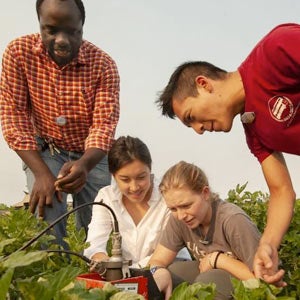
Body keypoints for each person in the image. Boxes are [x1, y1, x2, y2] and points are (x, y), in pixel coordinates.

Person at [155, 23, 300, 285]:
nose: (198, 130)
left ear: (204, 84)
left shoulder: (275, 51)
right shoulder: (254, 130)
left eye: (191, 117)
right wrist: (267, 245)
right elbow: (281, 192)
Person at [0, 0, 120, 244]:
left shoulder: (103, 65)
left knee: (97, 220)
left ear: (82, 28)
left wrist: (85, 165)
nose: (62, 40)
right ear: (40, 26)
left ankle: (93, 273)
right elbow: (14, 117)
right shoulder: (18, 53)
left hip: (91, 154)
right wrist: (42, 173)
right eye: (51, 30)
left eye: (72, 32)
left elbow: (103, 126)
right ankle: (53, 273)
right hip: (46, 149)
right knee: (46, 212)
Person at [148, 161, 261, 300]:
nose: (181, 215)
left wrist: (218, 260)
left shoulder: (233, 220)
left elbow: (262, 280)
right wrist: (158, 271)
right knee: (172, 273)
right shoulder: (179, 219)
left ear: (205, 193)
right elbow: (157, 260)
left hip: (244, 286)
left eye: (186, 205)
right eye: (173, 209)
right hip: (210, 275)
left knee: (208, 282)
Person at [84, 136, 171, 268]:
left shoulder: (168, 197)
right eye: (125, 179)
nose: (134, 187)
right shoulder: (106, 197)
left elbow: (166, 252)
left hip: (167, 268)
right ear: (113, 176)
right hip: (128, 275)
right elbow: (94, 245)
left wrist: (124, 272)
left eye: (141, 177)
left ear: (150, 169)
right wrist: (104, 262)